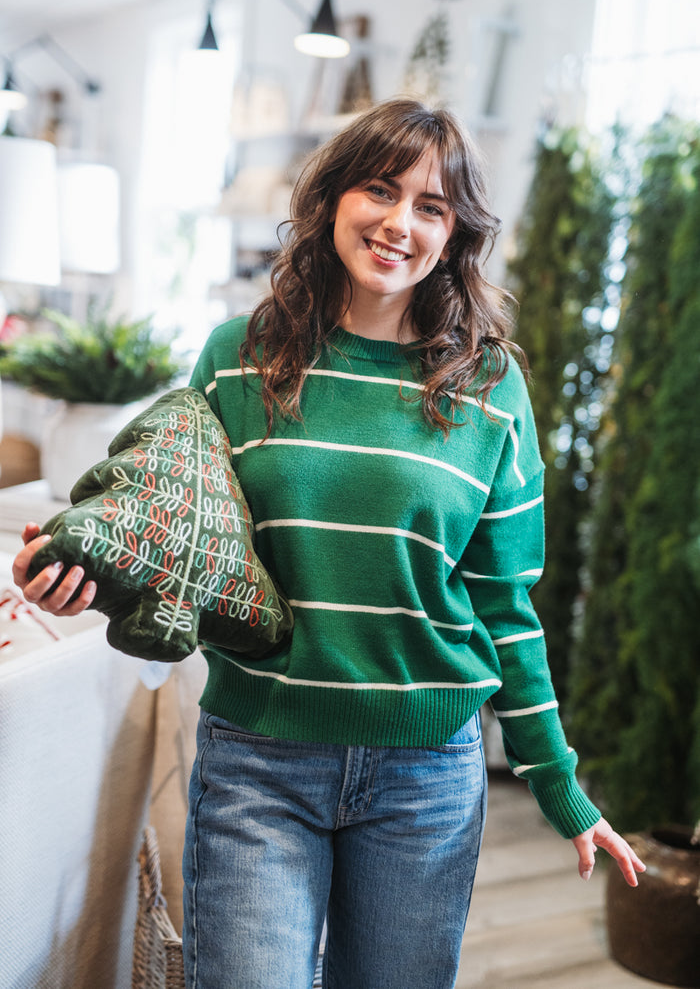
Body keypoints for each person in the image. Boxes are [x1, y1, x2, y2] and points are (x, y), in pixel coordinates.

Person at [13, 98, 645, 989]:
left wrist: (557, 783)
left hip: (426, 777)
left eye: (431, 206)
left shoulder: (490, 387)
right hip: (260, 764)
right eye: (380, 191)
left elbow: (505, 603)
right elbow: (184, 533)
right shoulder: (240, 356)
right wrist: (84, 570)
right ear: (332, 200)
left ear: (456, 232)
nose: (399, 223)